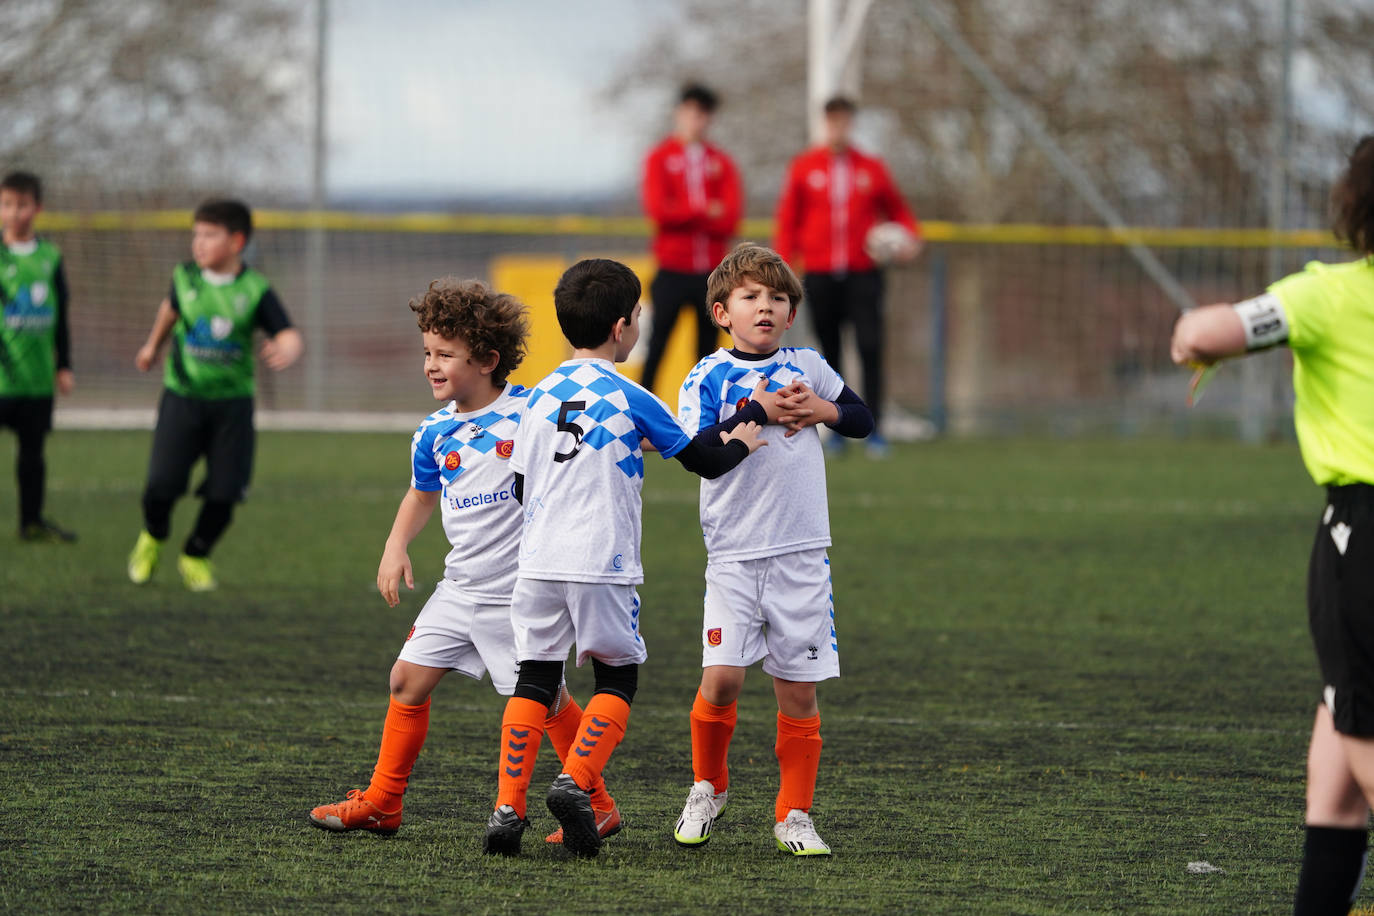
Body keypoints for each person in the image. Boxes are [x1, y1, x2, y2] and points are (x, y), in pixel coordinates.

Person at [309, 278, 618, 844]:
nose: (430, 365)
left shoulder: (532, 411)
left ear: (487, 360)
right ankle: (383, 802)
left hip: (518, 595)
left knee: (547, 702)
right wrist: (394, 545)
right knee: (406, 681)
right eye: (427, 352)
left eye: (445, 355)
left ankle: (597, 803)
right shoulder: (433, 432)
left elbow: (591, 440)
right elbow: (422, 493)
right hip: (459, 588)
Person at [482, 258, 766, 858]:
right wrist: (745, 430)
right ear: (623, 326)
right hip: (601, 560)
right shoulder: (630, 394)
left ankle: (508, 807)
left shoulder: (532, 400)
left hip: (535, 563)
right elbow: (701, 459)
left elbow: (517, 486)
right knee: (617, 674)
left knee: (535, 676)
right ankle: (575, 781)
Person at [1171, 134, 1374, 916]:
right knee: (1334, 779)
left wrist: (1191, 333)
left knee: (1357, 740)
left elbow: (1212, 333)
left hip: (1364, 536)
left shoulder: (1328, 293)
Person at [672, 243, 874, 857]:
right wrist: (752, 411)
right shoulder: (706, 376)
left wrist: (824, 410)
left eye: (778, 298)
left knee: (798, 689)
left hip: (801, 554)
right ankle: (709, 784)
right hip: (733, 555)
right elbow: (695, 451)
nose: (766, 307)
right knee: (724, 679)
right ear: (720, 311)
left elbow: (863, 417)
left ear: (791, 314)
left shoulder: (808, 364)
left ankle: (794, 815)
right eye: (751, 297)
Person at [127, 199, 303, 591]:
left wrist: (288, 348)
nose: (198, 243)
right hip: (182, 398)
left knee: (226, 492)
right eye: (196, 234)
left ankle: (195, 553)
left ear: (236, 241)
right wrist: (151, 347)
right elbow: (169, 311)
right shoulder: (184, 278)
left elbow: (287, 332)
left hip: (232, 407)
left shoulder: (254, 289)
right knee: (161, 486)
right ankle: (152, 537)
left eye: (209, 235)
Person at [773, 95, 921, 458]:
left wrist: (909, 240)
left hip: (863, 272)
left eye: (845, 121)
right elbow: (788, 221)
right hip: (821, 273)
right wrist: (783, 268)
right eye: (833, 121)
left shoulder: (870, 167)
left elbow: (900, 212)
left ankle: (876, 429)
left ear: (851, 123)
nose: (839, 127)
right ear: (826, 123)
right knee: (829, 352)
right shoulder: (805, 167)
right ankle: (835, 428)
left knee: (870, 346)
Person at [639, 83, 742, 396]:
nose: (696, 120)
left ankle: (705, 419)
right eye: (691, 112)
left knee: (709, 352)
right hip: (671, 268)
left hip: (712, 273)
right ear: (679, 112)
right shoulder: (660, 157)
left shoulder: (721, 162)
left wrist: (686, 213)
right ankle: (640, 417)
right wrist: (702, 209)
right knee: (657, 347)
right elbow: (660, 212)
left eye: (703, 114)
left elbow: (730, 217)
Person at [0, 170, 77, 542]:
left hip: (36, 376)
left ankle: (31, 523)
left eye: (22, 205)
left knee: (33, 454)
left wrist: (64, 365)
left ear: (37, 208)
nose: (15, 213)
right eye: (7, 205)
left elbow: (61, 314)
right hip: (1, 375)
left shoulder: (50, 257)